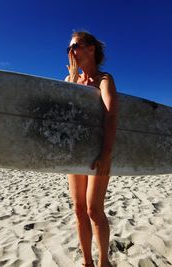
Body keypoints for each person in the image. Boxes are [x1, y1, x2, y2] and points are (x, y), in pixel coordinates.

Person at [64, 31, 118, 267]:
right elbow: (63, 116)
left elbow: (111, 115)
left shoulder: (104, 79)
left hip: (98, 152)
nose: (70, 52)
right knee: (78, 209)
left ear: (90, 49)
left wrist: (106, 153)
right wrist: (72, 79)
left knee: (94, 210)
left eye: (74, 46)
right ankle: (87, 262)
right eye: (68, 48)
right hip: (76, 151)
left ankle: (104, 262)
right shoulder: (70, 80)